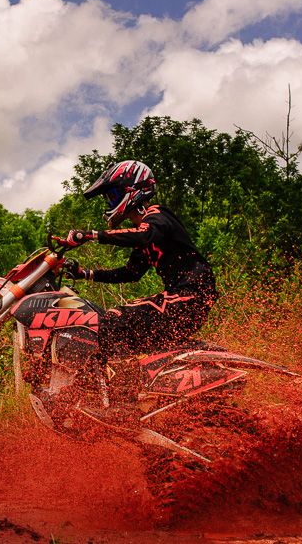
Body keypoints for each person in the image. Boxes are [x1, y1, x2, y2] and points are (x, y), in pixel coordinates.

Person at [57, 160, 218, 409]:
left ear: (133, 190)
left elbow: (144, 234)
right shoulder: (145, 231)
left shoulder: (158, 217)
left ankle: (122, 401)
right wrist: (85, 274)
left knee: (114, 317)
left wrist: (89, 235)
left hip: (191, 295)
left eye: (113, 195)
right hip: (185, 300)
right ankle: (129, 396)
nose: (111, 203)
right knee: (122, 332)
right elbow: (131, 273)